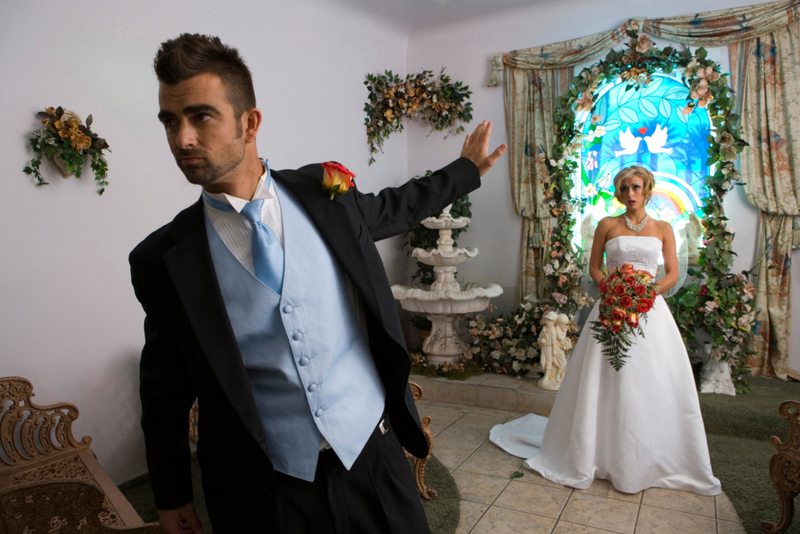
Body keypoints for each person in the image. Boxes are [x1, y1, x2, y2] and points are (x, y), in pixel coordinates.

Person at [129, 33, 506, 534]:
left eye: (201, 116)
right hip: (264, 487)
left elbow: (397, 206)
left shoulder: (324, 194)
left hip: (371, 455)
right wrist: (172, 493)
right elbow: (164, 391)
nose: (183, 139)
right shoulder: (163, 258)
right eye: (170, 122)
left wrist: (465, 172)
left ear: (250, 122)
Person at [490, 165, 720, 496]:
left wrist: (647, 292)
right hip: (611, 306)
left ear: (647, 189)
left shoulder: (664, 228)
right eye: (624, 188)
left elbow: (671, 273)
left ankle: (649, 453)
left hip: (648, 311)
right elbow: (594, 267)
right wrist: (611, 290)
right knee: (605, 375)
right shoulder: (606, 225)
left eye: (636, 187)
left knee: (649, 378)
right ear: (618, 191)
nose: (630, 194)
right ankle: (594, 449)